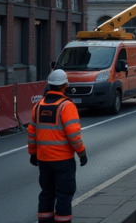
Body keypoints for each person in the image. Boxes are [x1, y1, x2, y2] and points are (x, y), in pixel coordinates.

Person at [28, 70, 87, 223]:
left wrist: (33, 154)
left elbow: (32, 133)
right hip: (63, 161)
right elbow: (73, 134)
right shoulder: (66, 106)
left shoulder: (38, 107)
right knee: (64, 195)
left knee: (46, 194)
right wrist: (82, 153)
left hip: (44, 160)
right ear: (65, 85)